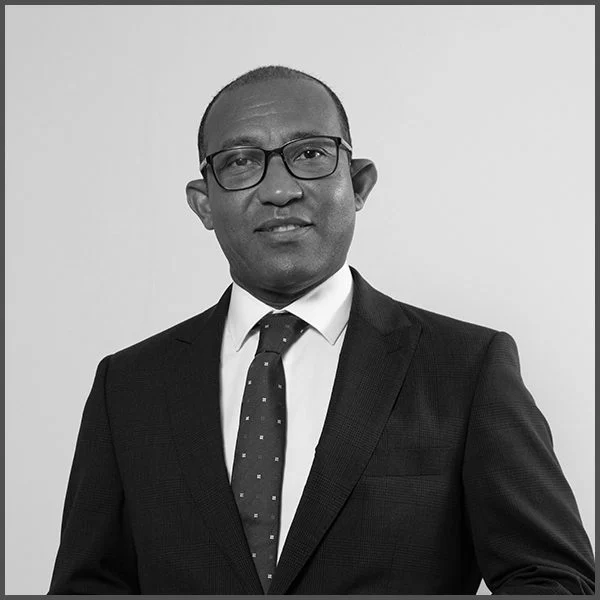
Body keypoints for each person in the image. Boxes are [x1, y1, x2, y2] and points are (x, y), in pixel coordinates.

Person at [48, 65, 594, 595]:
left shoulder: (467, 368)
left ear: (358, 185)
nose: (279, 190)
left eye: (309, 154)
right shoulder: (128, 385)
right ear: (203, 204)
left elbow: (554, 581)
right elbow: (89, 586)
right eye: (240, 161)